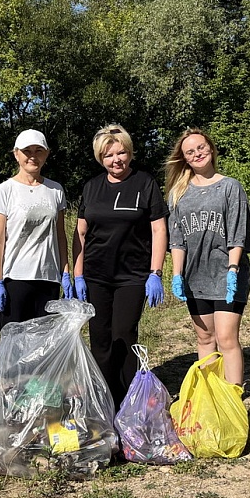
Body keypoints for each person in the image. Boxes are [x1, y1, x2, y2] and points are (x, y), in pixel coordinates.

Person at [72, 124, 168, 409]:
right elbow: (80, 233)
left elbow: (159, 230)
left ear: (130, 153)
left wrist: (156, 273)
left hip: (133, 276)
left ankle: (129, 402)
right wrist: (78, 275)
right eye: (109, 155)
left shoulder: (145, 183)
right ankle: (105, 401)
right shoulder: (92, 187)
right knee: (100, 340)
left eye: (121, 153)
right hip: (96, 276)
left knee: (124, 335)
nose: (116, 160)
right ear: (100, 158)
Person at [165, 127, 250, 386]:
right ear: (184, 158)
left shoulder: (230, 187)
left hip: (226, 273)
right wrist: (177, 275)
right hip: (195, 276)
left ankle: (234, 398)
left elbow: (238, 233)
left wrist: (233, 269)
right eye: (190, 152)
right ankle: (210, 395)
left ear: (211, 148)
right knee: (205, 338)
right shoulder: (178, 193)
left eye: (201, 147)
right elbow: (177, 240)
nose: (197, 154)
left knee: (226, 338)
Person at [0, 129, 74, 331]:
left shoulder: (55, 190)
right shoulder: (4, 191)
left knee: (44, 342)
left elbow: (60, 236)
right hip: (15, 279)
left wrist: (65, 273)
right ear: (16, 154)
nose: (33, 156)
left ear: (47, 154)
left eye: (38, 151)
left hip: (48, 278)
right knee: (14, 342)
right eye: (27, 151)